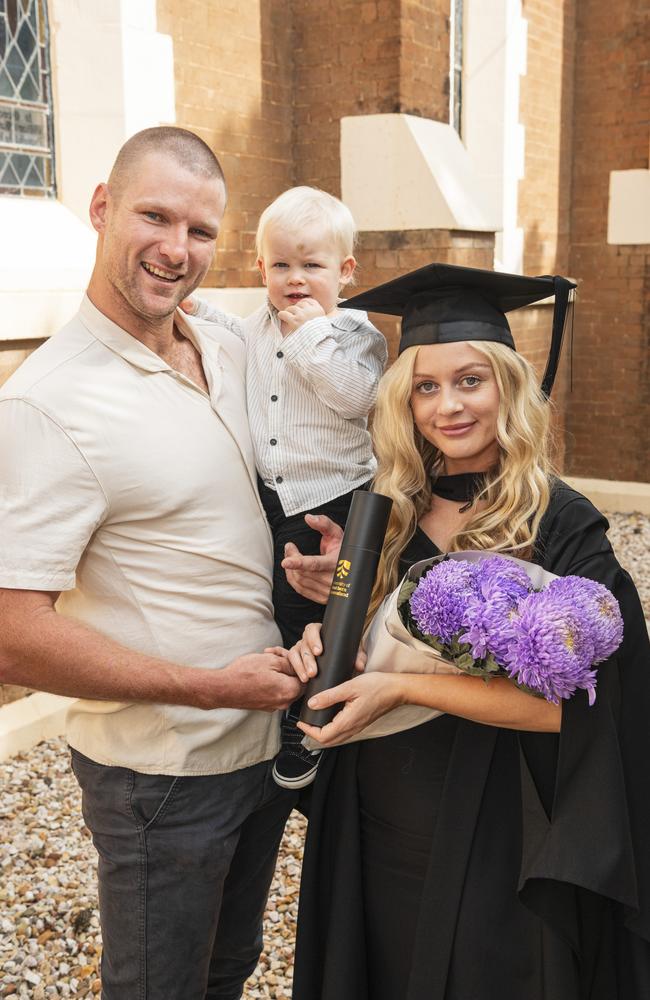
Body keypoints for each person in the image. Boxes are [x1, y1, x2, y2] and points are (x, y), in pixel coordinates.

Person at [285, 263, 650, 999]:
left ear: (509, 387)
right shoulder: (383, 513)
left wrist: (401, 685)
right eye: (425, 386)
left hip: (501, 830)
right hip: (378, 818)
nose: (446, 406)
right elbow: (363, 648)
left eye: (470, 380)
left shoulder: (561, 523)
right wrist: (324, 647)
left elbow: (579, 712)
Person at [0, 126, 305, 1000]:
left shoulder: (224, 349)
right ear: (101, 209)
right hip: (161, 781)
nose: (176, 251)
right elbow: (14, 638)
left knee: (226, 971)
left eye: (201, 231)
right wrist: (213, 687)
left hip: (258, 745)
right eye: (154, 216)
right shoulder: (48, 404)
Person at [184, 186, 387, 788]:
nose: (295, 279)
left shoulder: (353, 333)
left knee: (320, 608)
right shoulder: (257, 327)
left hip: (335, 497)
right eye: (281, 265)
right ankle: (286, 699)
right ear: (260, 268)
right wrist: (198, 311)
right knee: (276, 603)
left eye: (313, 265)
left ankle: (315, 717)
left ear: (345, 271)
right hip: (270, 497)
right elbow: (230, 333)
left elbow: (355, 397)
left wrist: (307, 338)